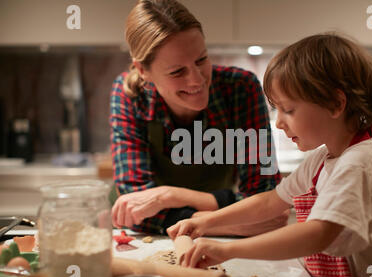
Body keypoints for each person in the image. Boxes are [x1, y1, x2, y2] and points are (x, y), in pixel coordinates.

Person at [167, 33, 372, 277]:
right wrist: (206, 222)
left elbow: (317, 234)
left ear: (336, 104)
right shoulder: (322, 158)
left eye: (288, 109)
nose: (278, 123)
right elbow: (270, 202)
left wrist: (227, 250)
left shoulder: (360, 162)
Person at [109, 0, 284, 236]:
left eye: (201, 60)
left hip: (214, 241)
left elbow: (264, 197)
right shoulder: (130, 96)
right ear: (143, 71)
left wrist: (167, 197)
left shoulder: (241, 88)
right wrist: (232, 217)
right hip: (152, 240)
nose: (197, 80)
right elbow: (135, 209)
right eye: (177, 71)